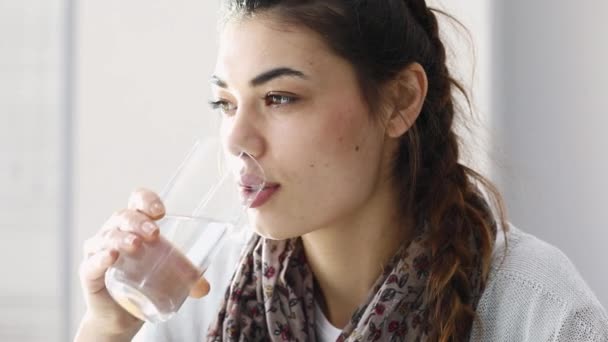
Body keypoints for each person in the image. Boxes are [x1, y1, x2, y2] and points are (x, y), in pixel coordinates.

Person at [74, 0, 608, 341]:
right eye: (226, 104)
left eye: (280, 98)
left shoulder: (534, 308)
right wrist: (107, 327)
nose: (236, 140)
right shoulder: (200, 293)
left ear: (400, 100)